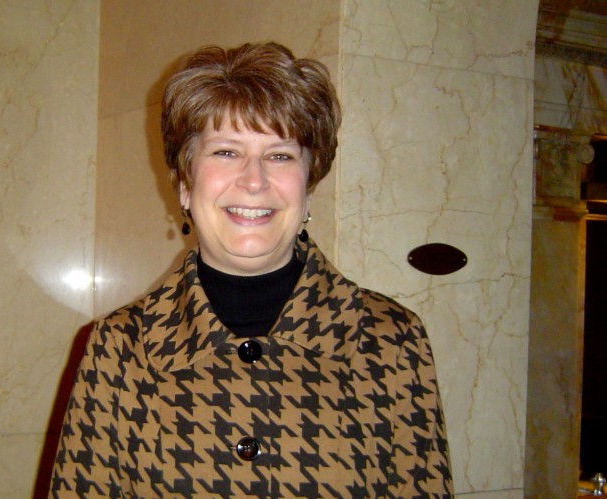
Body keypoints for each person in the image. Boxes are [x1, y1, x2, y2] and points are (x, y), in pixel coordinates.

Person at [50, 41, 453, 498]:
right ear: (184, 183)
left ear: (309, 185)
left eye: (280, 155)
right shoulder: (120, 347)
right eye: (226, 152)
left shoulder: (392, 340)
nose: (254, 180)